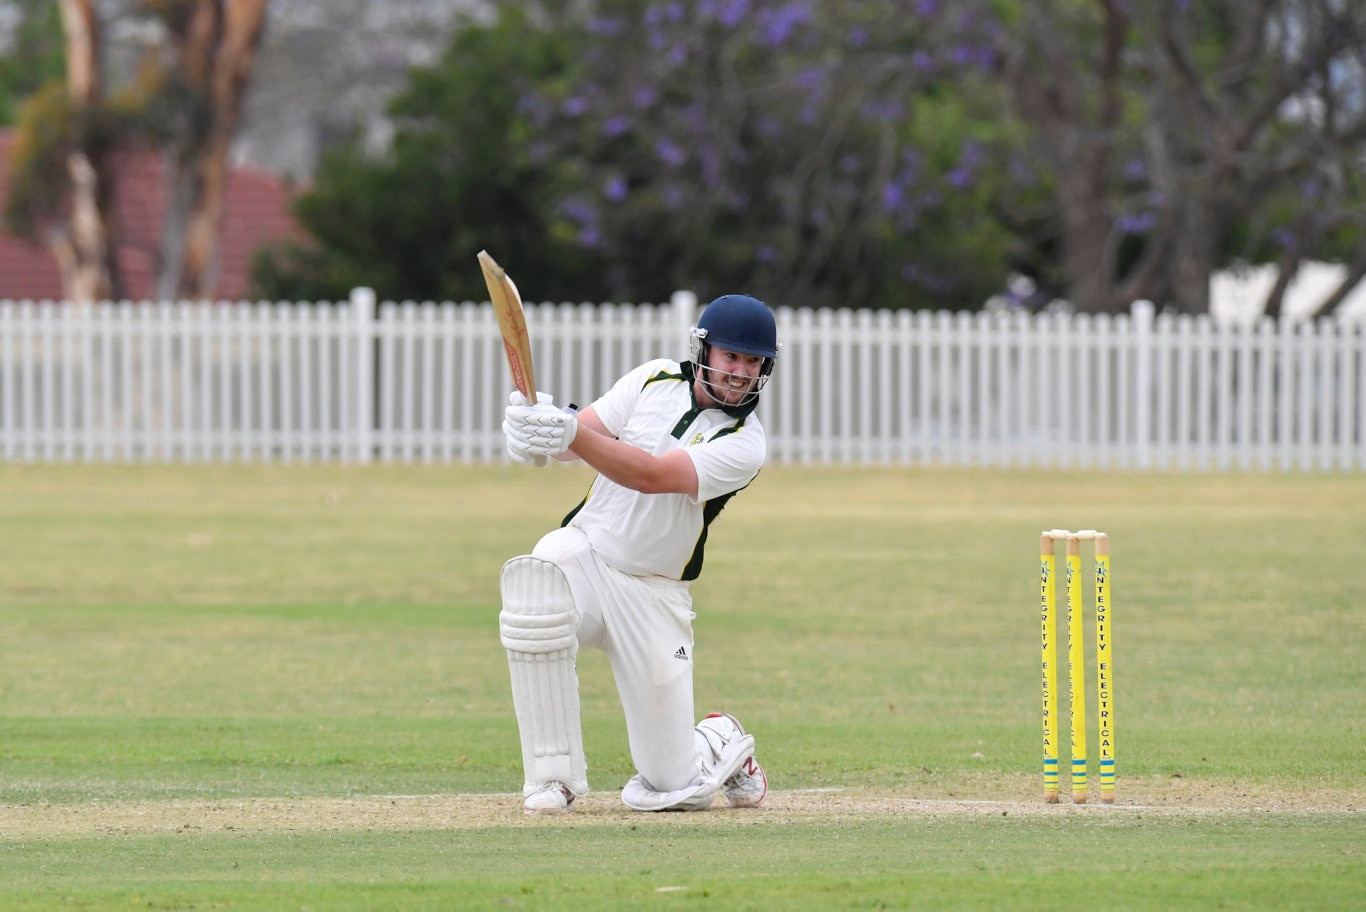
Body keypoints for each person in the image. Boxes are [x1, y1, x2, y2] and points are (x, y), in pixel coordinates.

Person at [497, 293, 779, 815]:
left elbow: (651, 476)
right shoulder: (654, 379)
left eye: (752, 361)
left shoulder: (745, 442)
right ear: (704, 350)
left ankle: (719, 739)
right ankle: (552, 779)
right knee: (536, 586)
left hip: (654, 596)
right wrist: (538, 428)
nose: (741, 371)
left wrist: (570, 429)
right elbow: (574, 442)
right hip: (587, 556)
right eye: (731, 356)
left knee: (672, 786)